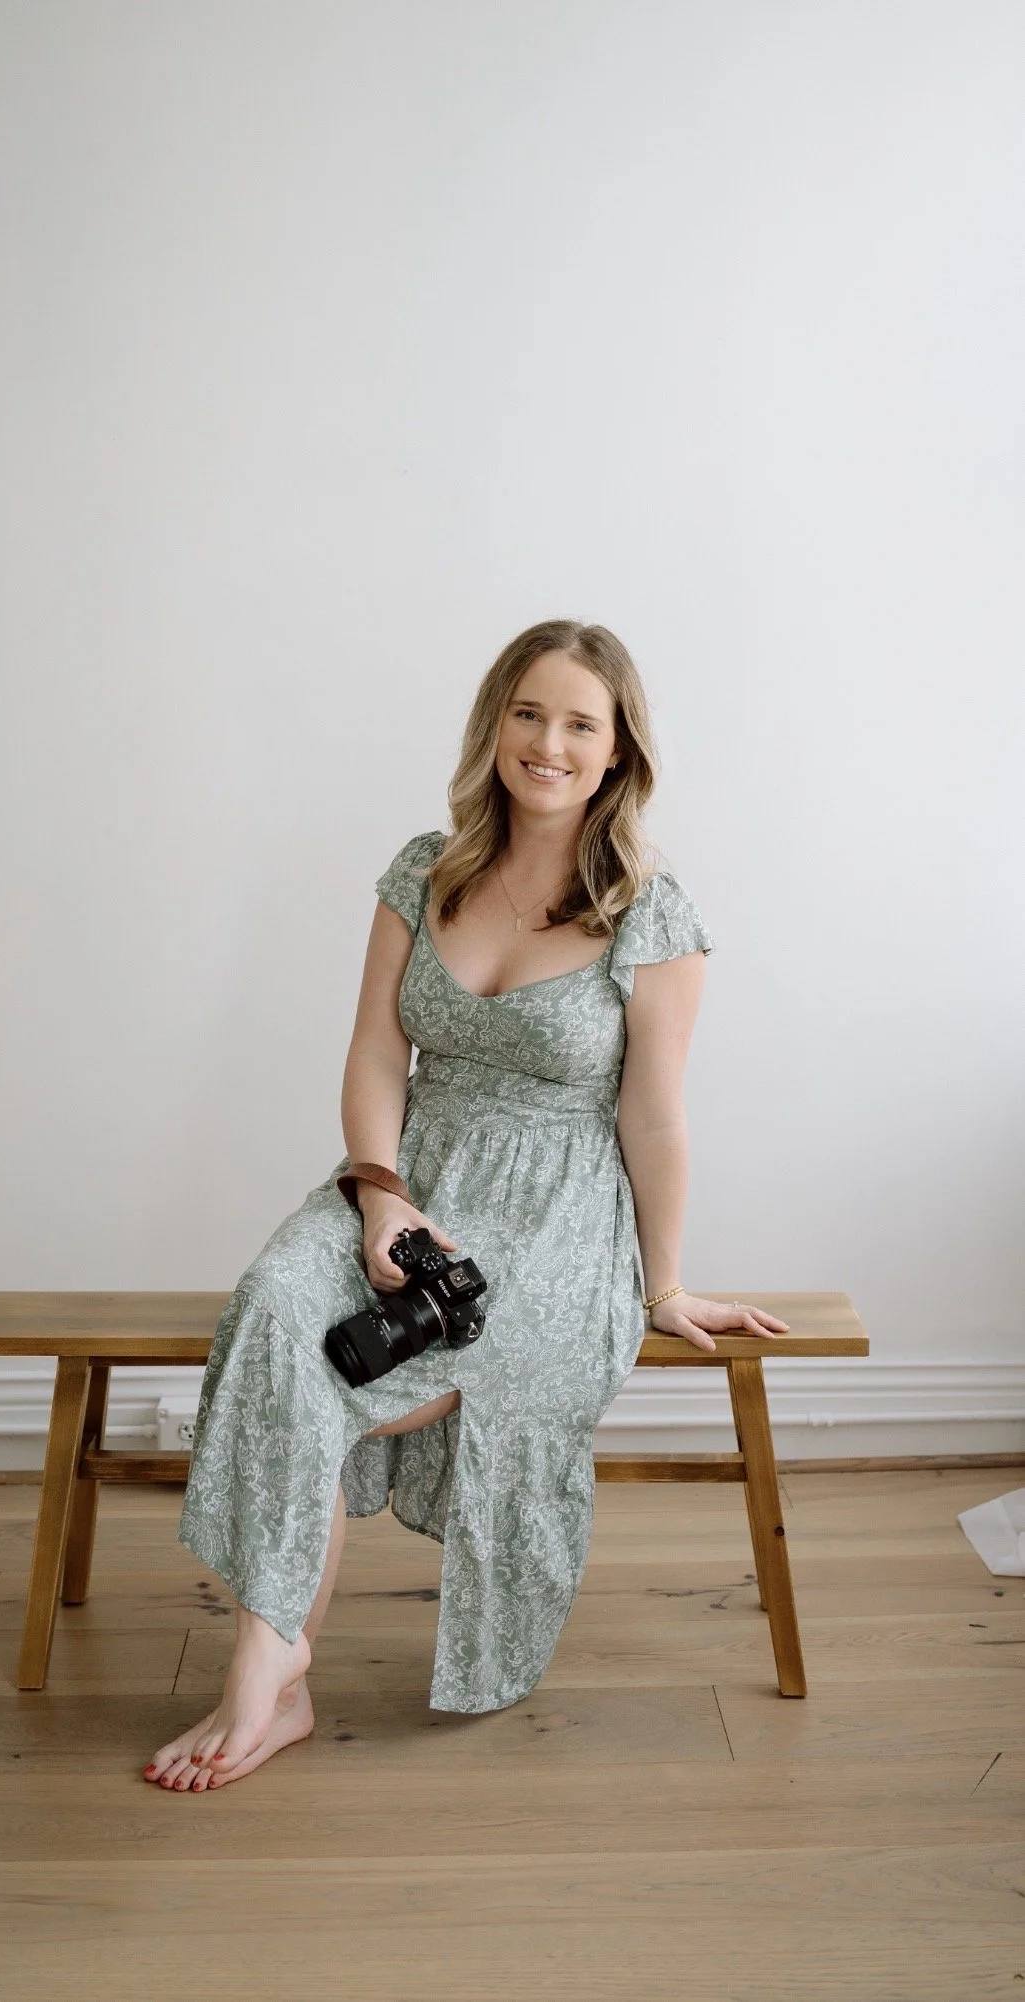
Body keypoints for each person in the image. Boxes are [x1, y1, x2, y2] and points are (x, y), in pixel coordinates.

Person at [144, 617, 788, 1793]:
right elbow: (374, 1054)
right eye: (528, 713)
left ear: (617, 750)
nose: (549, 742)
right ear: (496, 725)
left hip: (558, 1212)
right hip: (406, 1179)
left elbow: (654, 1119)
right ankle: (278, 1670)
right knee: (277, 1303)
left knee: (350, 1367)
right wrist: (381, 1199)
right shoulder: (424, 871)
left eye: (580, 723)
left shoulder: (650, 913)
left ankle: (263, 1669)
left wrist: (667, 1284)